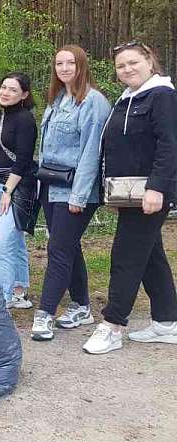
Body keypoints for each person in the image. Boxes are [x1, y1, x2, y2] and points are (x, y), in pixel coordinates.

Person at [82, 42, 177, 354]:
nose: (127, 69)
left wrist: (157, 188)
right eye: (121, 66)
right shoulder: (127, 98)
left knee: (126, 255)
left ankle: (113, 325)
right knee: (150, 254)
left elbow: (169, 144)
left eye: (133, 62)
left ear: (150, 62)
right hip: (129, 193)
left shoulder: (162, 96)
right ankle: (167, 322)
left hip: (150, 191)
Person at [31, 45, 111, 342]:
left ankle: (44, 314)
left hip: (76, 190)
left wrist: (79, 196)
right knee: (68, 246)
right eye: (59, 63)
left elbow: (92, 153)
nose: (64, 68)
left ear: (81, 66)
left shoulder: (93, 102)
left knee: (58, 250)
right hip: (51, 186)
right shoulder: (57, 99)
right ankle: (81, 306)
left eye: (70, 63)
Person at [0, 73, 38, 310]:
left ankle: (1, 297)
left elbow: (24, 160)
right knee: (13, 240)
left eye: (13, 90)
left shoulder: (25, 119)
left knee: (2, 244)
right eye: (4, 87)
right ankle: (19, 290)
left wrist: (8, 190)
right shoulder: (3, 115)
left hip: (17, 187)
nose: (5, 92)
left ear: (24, 95)